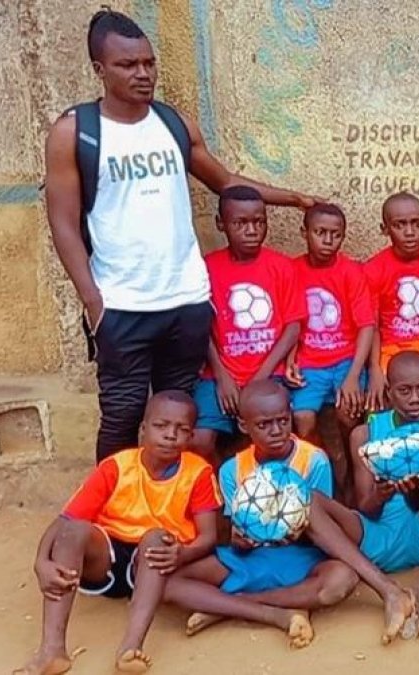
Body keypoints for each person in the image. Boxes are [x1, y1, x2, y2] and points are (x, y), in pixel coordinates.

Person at [46, 10, 319, 462]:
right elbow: (63, 221)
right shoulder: (76, 133)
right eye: (127, 65)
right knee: (123, 413)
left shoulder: (173, 124)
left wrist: (291, 198)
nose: (143, 74)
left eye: (149, 63)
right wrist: (94, 302)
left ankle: (173, 513)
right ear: (99, 70)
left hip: (186, 302)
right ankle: (113, 522)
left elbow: (226, 181)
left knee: (179, 413)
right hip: (123, 303)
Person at [167, 380, 417, 647]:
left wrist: (292, 531)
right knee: (171, 585)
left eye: (283, 421)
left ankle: (230, 605)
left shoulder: (313, 459)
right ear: (243, 426)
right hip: (254, 558)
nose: (276, 431)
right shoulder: (231, 469)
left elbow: (324, 533)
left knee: (341, 579)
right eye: (264, 425)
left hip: (303, 558)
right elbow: (236, 535)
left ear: (290, 415)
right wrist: (241, 541)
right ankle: (276, 611)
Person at [15, 391, 219, 675]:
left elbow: (208, 536)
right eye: (161, 426)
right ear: (143, 429)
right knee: (74, 531)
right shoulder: (116, 466)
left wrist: (184, 553)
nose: (171, 435)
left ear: (192, 436)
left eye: (182, 430)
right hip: (105, 559)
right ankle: (52, 651)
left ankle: (130, 648)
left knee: (158, 537)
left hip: (155, 566)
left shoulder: (198, 472)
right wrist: (41, 561)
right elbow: (66, 519)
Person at [348, 351, 419, 636]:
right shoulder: (365, 434)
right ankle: (387, 590)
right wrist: (382, 492)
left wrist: (415, 493)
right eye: (404, 390)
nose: (414, 398)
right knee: (311, 505)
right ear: (388, 392)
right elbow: (367, 507)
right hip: (382, 539)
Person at [192, 186, 303, 463]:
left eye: (259, 222)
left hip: (270, 373)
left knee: (277, 434)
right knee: (201, 441)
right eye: (241, 223)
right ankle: (225, 492)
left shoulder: (281, 266)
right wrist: (222, 376)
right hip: (220, 376)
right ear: (221, 224)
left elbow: (293, 327)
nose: (252, 230)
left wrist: (259, 379)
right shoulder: (206, 268)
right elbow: (200, 328)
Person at [287, 205, 374, 498]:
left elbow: (366, 326)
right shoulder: (293, 271)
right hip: (309, 363)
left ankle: (351, 474)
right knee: (303, 419)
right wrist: (291, 361)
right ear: (304, 233)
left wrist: (352, 376)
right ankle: (317, 473)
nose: (327, 240)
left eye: (335, 235)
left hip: (345, 360)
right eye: (320, 233)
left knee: (349, 412)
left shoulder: (350, 272)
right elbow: (289, 323)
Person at [363, 192, 419, 413]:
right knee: (378, 403)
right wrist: (374, 369)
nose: (409, 232)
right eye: (400, 225)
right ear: (385, 229)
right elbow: (372, 326)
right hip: (390, 349)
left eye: (416, 223)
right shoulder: (373, 269)